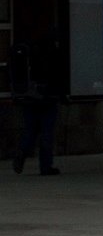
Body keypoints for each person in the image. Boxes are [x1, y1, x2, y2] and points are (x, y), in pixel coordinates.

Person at [10, 26, 63, 176]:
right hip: (47, 98)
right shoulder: (53, 53)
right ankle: (45, 166)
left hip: (29, 98)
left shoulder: (29, 51)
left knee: (30, 131)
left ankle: (21, 153)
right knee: (46, 133)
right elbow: (57, 76)